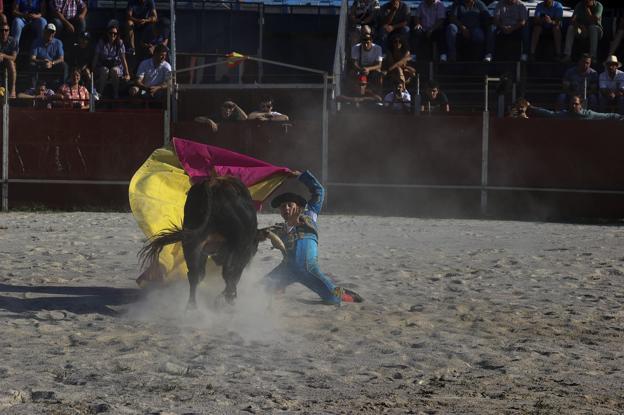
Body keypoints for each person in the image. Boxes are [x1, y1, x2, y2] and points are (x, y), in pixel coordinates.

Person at [263, 170, 363, 305]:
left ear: (297, 206)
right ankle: (279, 288)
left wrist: (301, 176)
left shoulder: (310, 213)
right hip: (286, 270)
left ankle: (344, 294)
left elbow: (319, 191)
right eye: (282, 207)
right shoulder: (279, 229)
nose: (285, 209)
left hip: (308, 269)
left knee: (333, 298)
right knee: (256, 291)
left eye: (289, 205)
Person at [93, 22, 130, 99]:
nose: (112, 35)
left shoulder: (120, 43)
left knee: (114, 70)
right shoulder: (101, 42)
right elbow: (96, 57)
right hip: (103, 65)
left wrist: (127, 73)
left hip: (116, 66)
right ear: (107, 33)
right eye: (110, 33)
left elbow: (123, 59)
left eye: (115, 33)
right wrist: (92, 71)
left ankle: (116, 94)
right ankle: (100, 94)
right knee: (104, 70)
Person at [528, 94, 623, 120]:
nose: (573, 106)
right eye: (572, 104)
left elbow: (606, 116)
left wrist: (620, 117)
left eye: (576, 104)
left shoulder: (589, 114)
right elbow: (549, 114)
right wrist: (532, 107)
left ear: (580, 105)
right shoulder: (564, 114)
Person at [0, 22, 18, 98]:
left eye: (6, 30)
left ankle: (13, 90)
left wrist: (3, 55)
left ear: (9, 31)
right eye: (2, 30)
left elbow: (14, 57)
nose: (4, 32)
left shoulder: (13, 41)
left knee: (11, 63)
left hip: (8, 63)